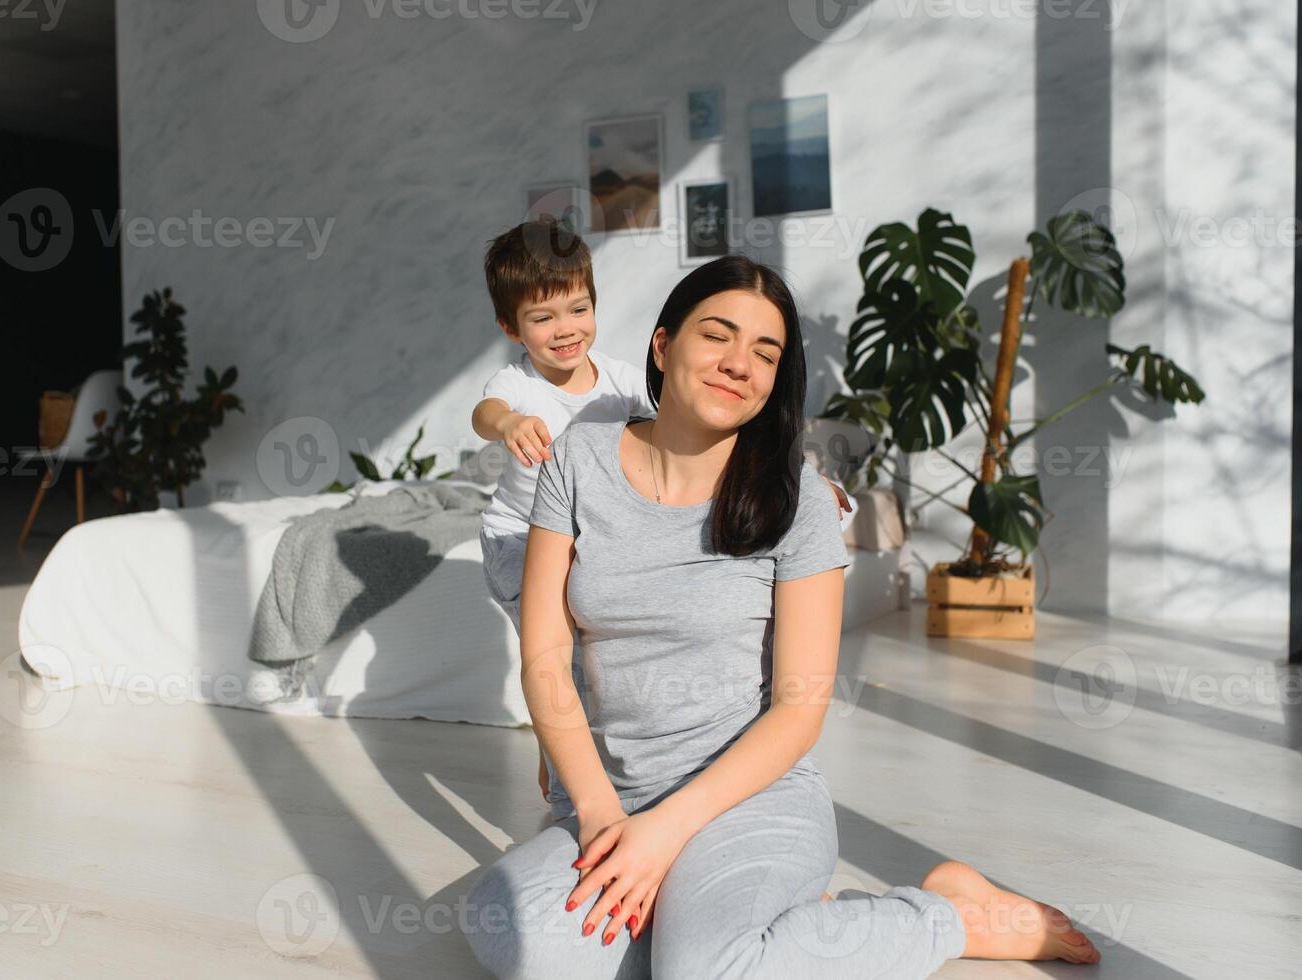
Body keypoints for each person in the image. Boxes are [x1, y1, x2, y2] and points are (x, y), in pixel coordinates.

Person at [462, 255, 1102, 978]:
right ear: (664, 346)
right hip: (613, 795)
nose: (740, 363)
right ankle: (780, 928)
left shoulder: (796, 499)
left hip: (751, 796)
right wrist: (606, 815)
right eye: (718, 335)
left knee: (701, 972)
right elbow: (546, 654)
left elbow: (799, 712)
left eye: (765, 353)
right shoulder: (577, 460)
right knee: (506, 931)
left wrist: (665, 833)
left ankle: (946, 916)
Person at [470, 218, 850, 806]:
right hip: (518, 535)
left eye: (577, 311)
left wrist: (803, 482)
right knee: (553, 654)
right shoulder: (516, 385)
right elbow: (485, 413)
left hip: (740, 798)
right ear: (510, 327)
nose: (564, 331)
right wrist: (510, 424)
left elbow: (697, 416)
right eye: (542, 319)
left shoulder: (621, 382)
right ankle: (559, 761)